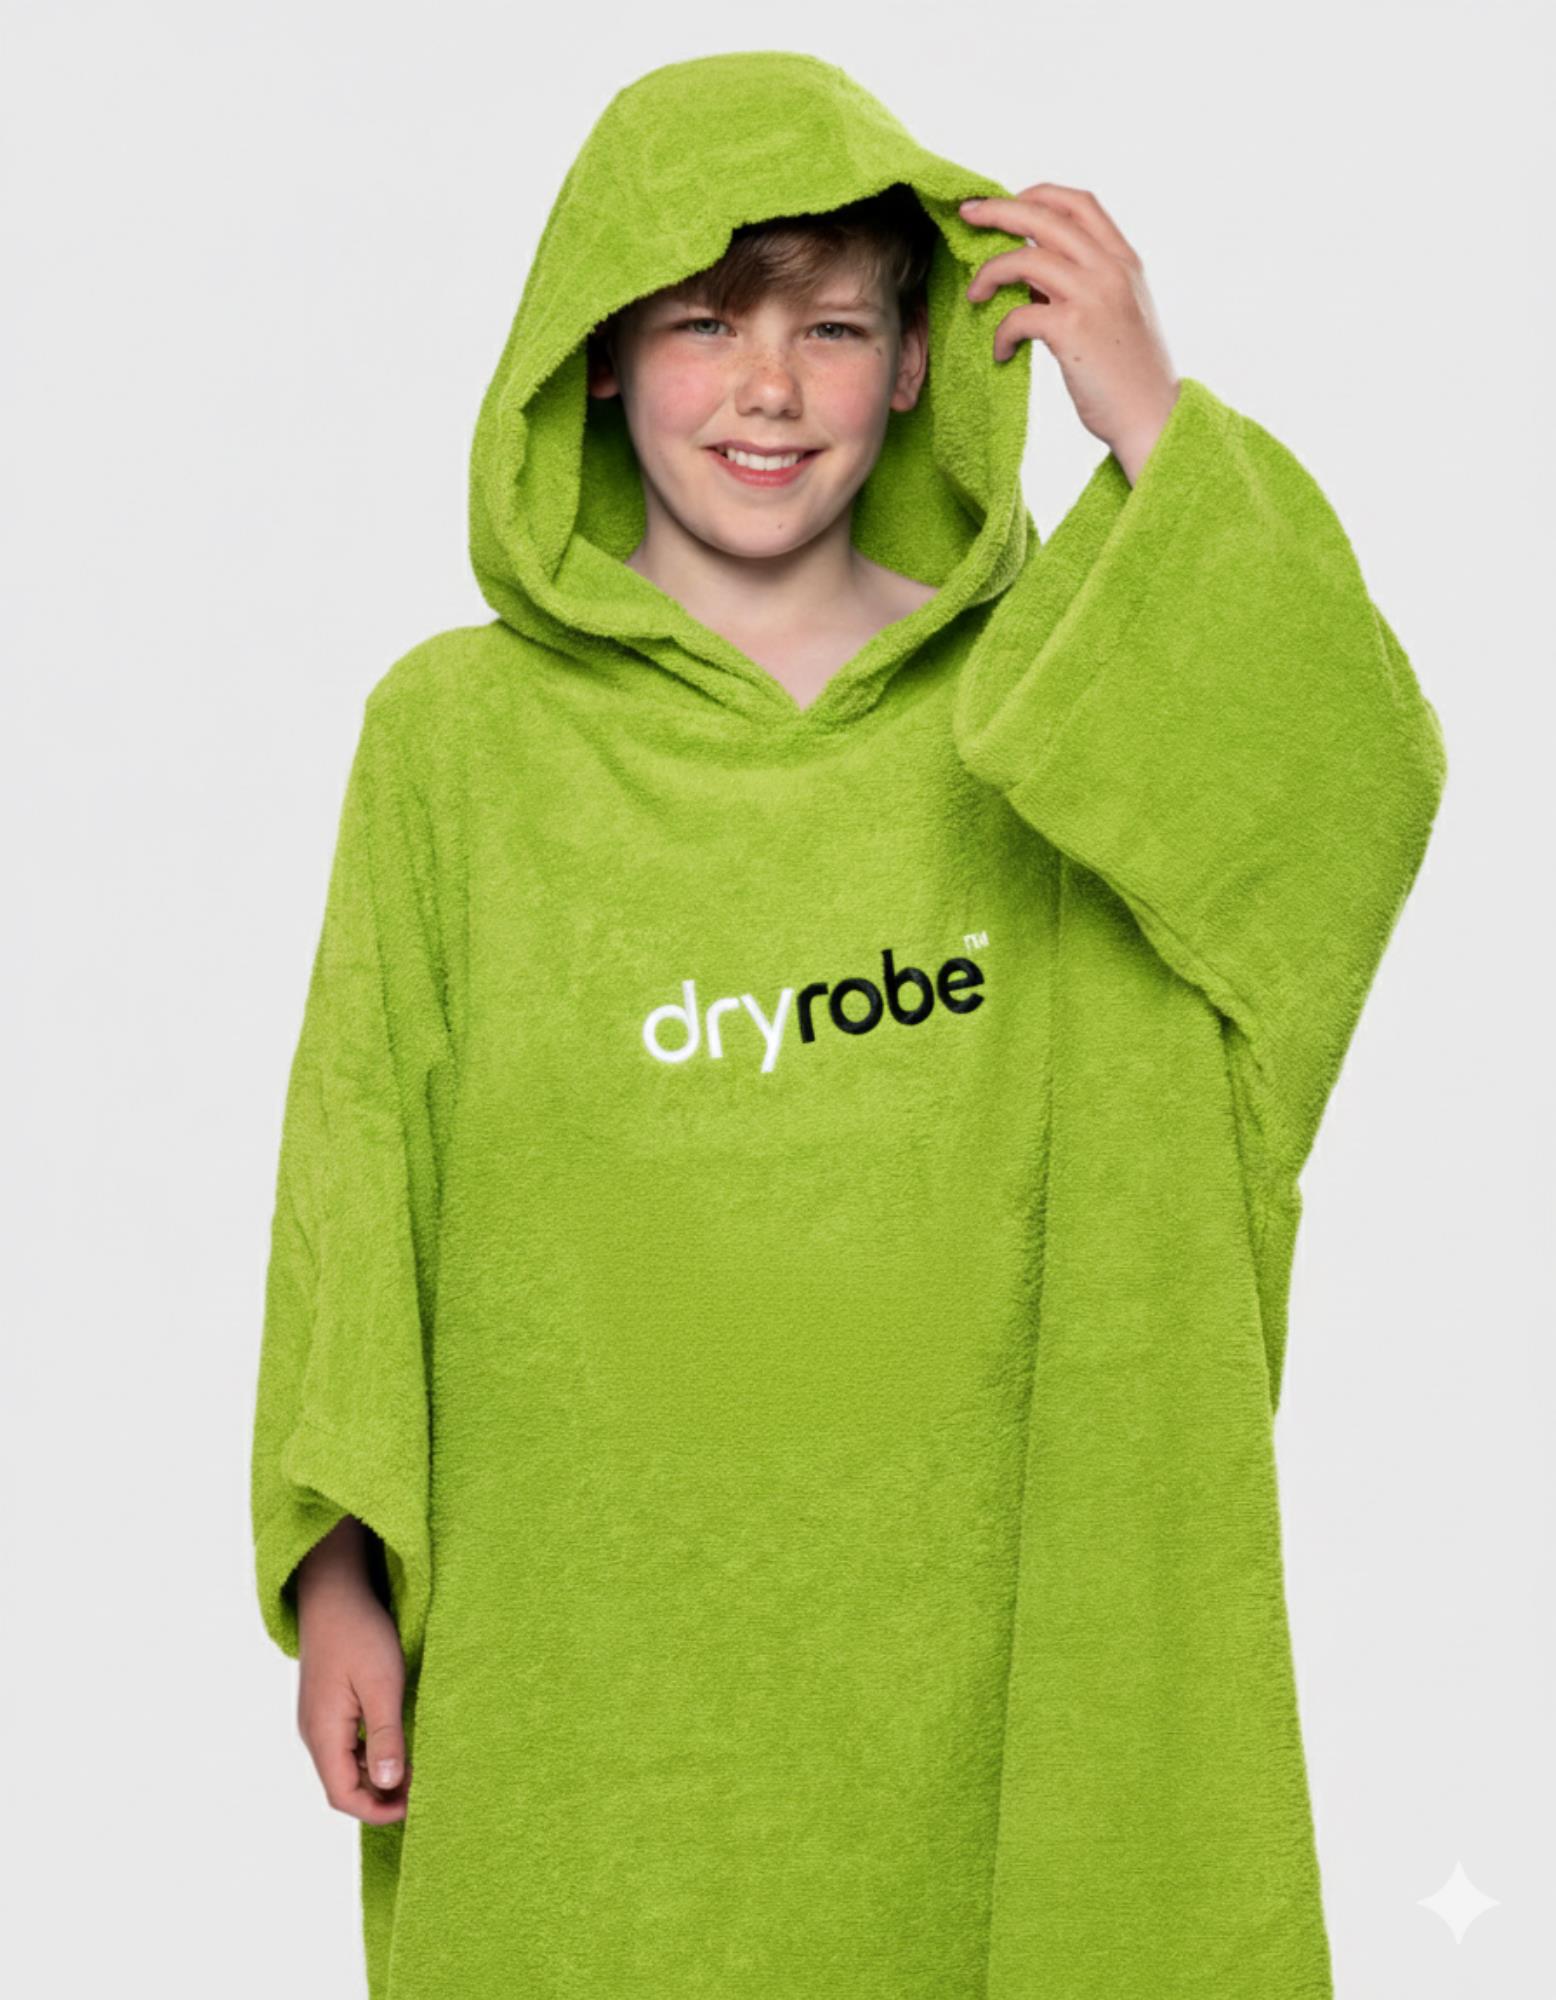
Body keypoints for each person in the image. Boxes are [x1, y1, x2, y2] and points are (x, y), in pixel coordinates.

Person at [250, 48, 1447, 2000]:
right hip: (590, 1654)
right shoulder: (456, 744)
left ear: (913, 364)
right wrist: (334, 1570)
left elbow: (1342, 801)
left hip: (1000, 1639)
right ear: (597, 357)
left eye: (830, 324)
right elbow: (357, 1150)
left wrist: (1149, 415)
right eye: (703, 323)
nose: (769, 386)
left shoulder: (1065, 701)